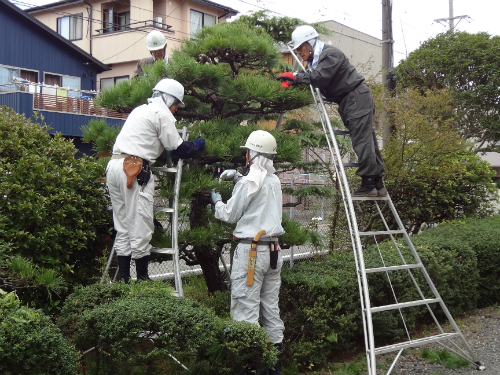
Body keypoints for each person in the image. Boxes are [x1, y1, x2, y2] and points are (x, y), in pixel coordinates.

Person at [107, 78, 205, 282]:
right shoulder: (162, 114)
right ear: (168, 98)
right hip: (133, 170)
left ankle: (124, 281)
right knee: (141, 224)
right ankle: (142, 279)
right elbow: (179, 148)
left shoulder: (139, 110)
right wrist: (198, 144)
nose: (176, 108)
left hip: (114, 166)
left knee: (122, 225)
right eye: (177, 103)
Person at [279, 25, 386, 197]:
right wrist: (293, 81)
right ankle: (378, 184)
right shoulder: (315, 61)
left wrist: (296, 77)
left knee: (362, 141)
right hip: (348, 100)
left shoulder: (330, 54)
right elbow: (313, 77)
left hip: (356, 97)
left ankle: (368, 184)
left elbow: (320, 78)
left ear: (309, 43)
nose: (299, 52)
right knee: (368, 140)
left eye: (300, 48)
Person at [212, 130, 284, 375]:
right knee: (270, 310)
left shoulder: (249, 180)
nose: (245, 155)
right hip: (273, 250)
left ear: (254, 154)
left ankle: (250, 368)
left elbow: (229, 214)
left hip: (251, 253)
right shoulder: (274, 181)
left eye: (248, 152)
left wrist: (216, 200)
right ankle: (273, 367)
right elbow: (258, 194)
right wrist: (239, 181)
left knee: (246, 311)